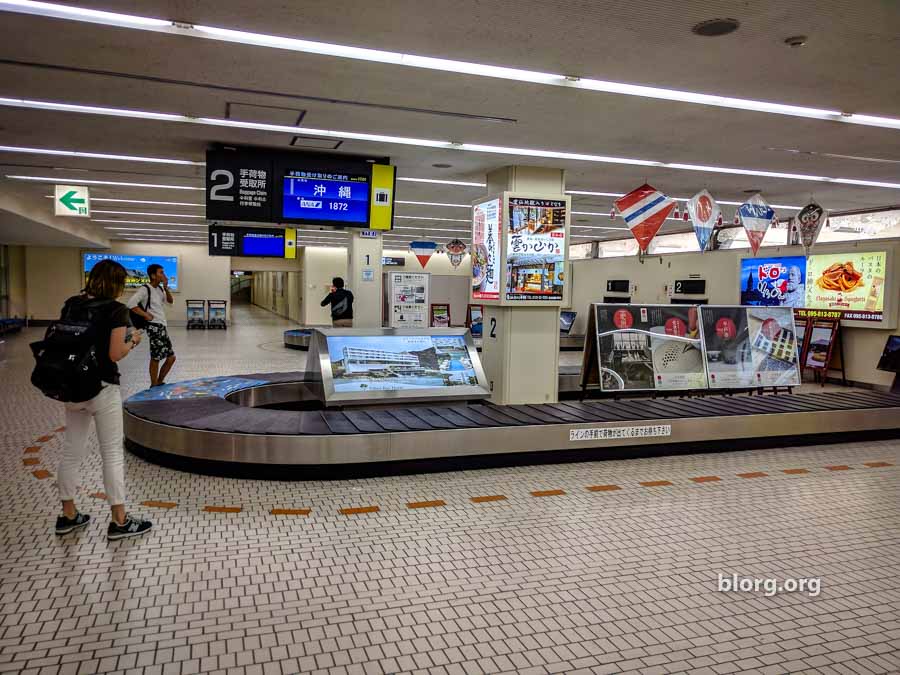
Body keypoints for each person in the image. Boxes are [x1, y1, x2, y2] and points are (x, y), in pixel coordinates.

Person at [55, 259, 153, 540]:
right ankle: (119, 521)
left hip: (71, 385)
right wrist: (133, 340)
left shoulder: (72, 303)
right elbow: (115, 353)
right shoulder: (115, 310)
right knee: (111, 454)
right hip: (101, 387)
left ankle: (68, 515)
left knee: (71, 451)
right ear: (116, 284)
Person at [128, 263, 176, 386]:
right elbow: (131, 304)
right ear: (153, 275)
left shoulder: (159, 289)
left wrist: (166, 288)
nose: (164, 275)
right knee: (156, 357)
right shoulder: (145, 289)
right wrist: (145, 315)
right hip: (154, 326)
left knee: (171, 358)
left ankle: (158, 382)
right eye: (161, 272)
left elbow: (170, 302)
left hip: (161, 325)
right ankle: (154, 384)